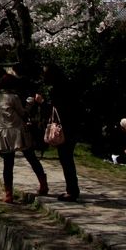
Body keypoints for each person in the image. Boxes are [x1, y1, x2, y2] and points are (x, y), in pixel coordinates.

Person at [0, 73, 48, 203]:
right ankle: (43, 183)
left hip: (3, 133)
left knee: (8, 164)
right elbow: (23, 113)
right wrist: (29, 104)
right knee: (31, 157)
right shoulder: (14, 98)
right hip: (18, 132)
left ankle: (8, 194)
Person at [41, 64, 80, 202]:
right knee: (67, 159)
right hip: (72, 126)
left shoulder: (59, 90)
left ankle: (72, 190)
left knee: (66, 159)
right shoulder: (68, 85)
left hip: (65, 128)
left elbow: (57, 110)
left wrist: (43, 102)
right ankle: (72, 188)